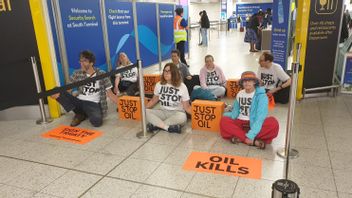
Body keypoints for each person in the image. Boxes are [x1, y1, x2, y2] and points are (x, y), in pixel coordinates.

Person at [50, 50, 118, 127]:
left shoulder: (101, 74)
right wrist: (59, 95)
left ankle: (81, 114)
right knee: (56, 90)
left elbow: (111, 94)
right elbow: (68, 88)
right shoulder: (77, 73)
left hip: (93, 103)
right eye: (80, 61)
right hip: (79, 101)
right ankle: (80, 113)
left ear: (91, 63)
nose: (81, 64)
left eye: (84, 61)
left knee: (97, 122)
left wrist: (122, 105)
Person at [220, 71, 279, 149]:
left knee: (273, 123)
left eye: (250, 80)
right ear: (242, 83)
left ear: (255, 82)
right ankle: (250, 140)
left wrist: (251, 134)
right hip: (240, 121)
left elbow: (260, 118)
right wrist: (225, 116)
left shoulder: (261, 96)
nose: (247, 82)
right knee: (224, 121)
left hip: (255, 122)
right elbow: (235, 111)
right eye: (244, 80)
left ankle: (241, 137)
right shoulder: (240, 93)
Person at [145, 63, 192, 134]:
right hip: (163, 111)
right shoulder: (159, 85)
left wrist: (198, 116)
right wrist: (144, 109)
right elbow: (153, 100)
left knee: (182, 117)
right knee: (146, 112)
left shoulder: (182, 86)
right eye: (165, 71)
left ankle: (156, 125)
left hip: (177, 113)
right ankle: (167, 128)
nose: (166, 73)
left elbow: (187, 107)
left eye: (169, 71)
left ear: (174, 73)